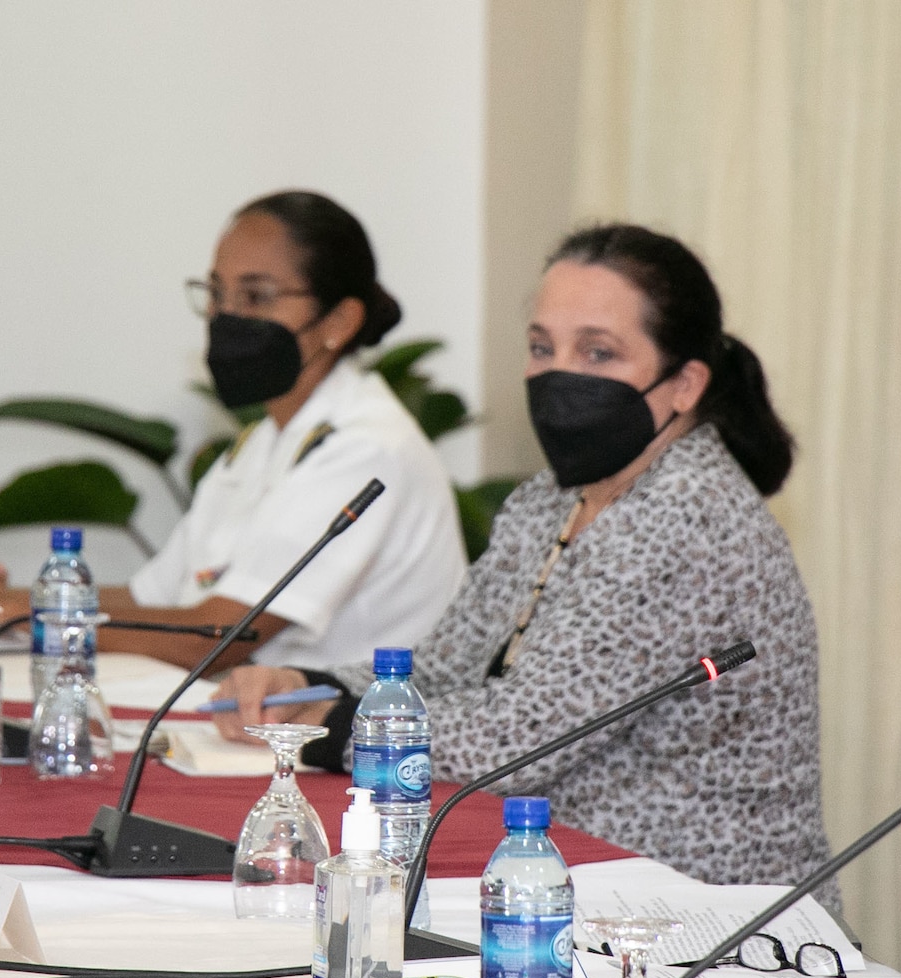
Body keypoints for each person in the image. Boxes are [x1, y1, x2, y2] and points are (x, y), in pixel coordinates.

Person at [216, 223, 834, 897]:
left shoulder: (689, 517)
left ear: (684, 384)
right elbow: (448, 666)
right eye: (543, 348)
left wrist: (327, 729)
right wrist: (307, 684)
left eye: (598, 352)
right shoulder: (552, 498)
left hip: (700, 915)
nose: (558, 374)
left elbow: (519, 738)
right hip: (570, 879)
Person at [0, 191, 467, 673]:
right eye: (215, 293)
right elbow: (151, 600)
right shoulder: (262, 443)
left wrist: (29, 615)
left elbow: (218, 636)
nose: (225, 316)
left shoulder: (366, 446)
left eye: (256, 296)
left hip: (357, 752)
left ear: (339, 322)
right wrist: (11, 601)